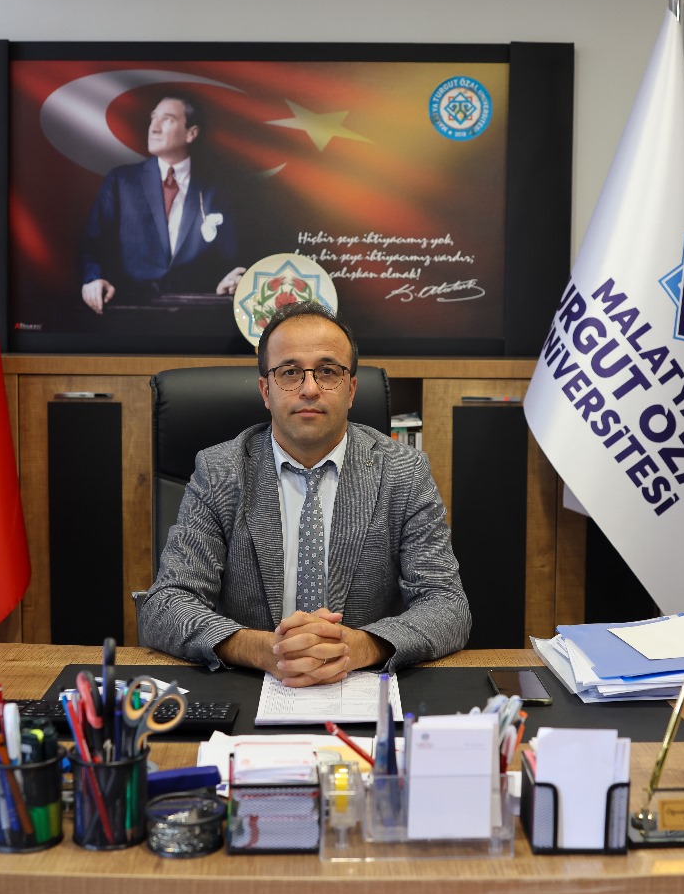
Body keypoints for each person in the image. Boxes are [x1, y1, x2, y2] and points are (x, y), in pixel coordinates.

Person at [135, 301, 472, 683]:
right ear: (266, 390)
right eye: (290, 372)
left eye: (328, 371)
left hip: (361, 684)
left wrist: (359, 647)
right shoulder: (220, 471)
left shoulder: (404, 472)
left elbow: (447, 605)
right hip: (251, 684)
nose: (310, 389)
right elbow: (166, 604)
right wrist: (264, 650)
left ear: (351, 389)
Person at [79, 94, 246, 313]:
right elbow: (93, 245)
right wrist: (93, 279)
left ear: (191, 133)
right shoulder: (121, 181)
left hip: (198, 313)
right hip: (130, 311)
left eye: (167, 119)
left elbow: (233, 256)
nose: (154, 128)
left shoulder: (220, 188)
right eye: (153, 118)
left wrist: (232, 280)